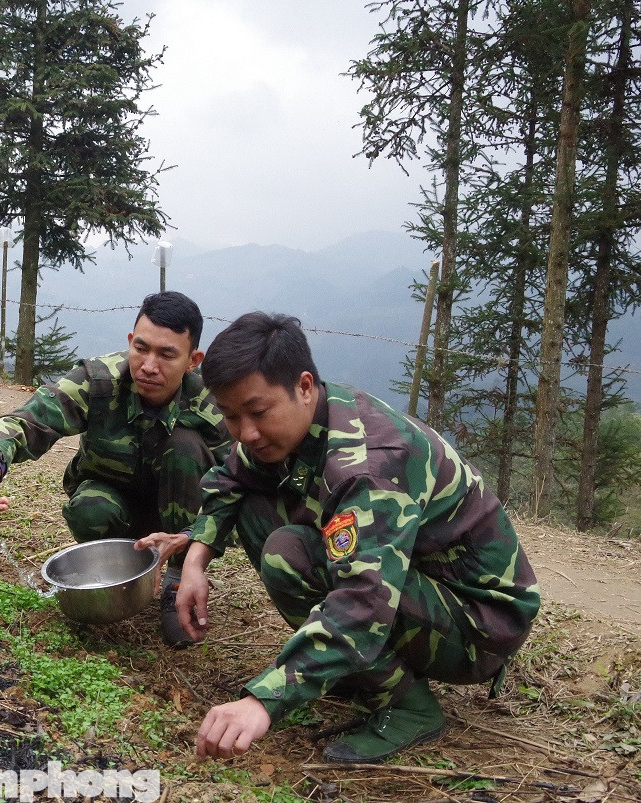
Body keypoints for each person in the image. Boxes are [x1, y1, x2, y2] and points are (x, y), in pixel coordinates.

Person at [166, 312, 540, 763]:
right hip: (418, 580)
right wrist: (194, 563)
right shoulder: (299, 424)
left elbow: (364, 599)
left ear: (304, 386)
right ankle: (352, 667)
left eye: (258, 412)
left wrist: (263, 700)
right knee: (256, 510)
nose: (246, 432)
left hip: (479, 622)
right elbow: (230, 479)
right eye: (230, 416)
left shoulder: (367, 465)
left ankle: (407, 706)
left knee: (291, 554)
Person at [0, 291, 232, 647]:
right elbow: (27, 419)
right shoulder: (99, 381)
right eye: (141, 348)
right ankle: (118, 570)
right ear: (129, 343)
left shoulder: (213, 408)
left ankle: (177, 582)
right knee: (88, 508)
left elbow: (240, 489)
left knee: (184, 446)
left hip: (181, 521)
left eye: (167, 354)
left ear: (192, 360)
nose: (149, 365)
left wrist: (192, 543)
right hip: (114, 502)